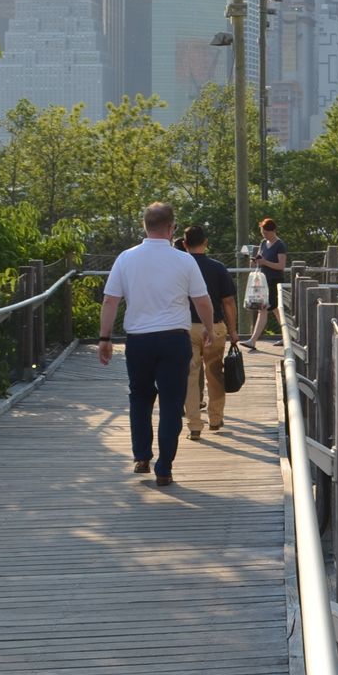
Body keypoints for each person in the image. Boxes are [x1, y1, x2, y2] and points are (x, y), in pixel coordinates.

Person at [97, 203, 212, 487]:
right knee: (172, 402)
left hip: (139, 340)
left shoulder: (126, 258)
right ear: (172, 229)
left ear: (143, 226)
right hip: (174, 338)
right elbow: (201, 300)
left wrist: (104, 338)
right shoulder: (185, 261)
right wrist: (209, 328)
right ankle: (165, 467)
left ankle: (142, 456)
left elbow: (111, 300)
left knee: (139, 396)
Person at [181, 225, 240, 441]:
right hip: (214, 327)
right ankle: (215, 419)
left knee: (190, 375)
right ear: (205, 242)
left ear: (184, 244)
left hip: (185, 327)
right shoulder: (218, 267)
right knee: (215, 372)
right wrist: (233, 331)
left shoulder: (180, 268)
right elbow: (228, 302)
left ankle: (194, 425)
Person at [242, 217, 289, 352]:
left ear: (273, 230)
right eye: (263, 233)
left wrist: (264, 263)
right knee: (273, 310)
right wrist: (256, 261)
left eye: (267, 233)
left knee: (266, 309)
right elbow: (261, 259)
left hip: (274, 281)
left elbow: (281, 265)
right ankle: (287, 337)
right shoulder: (263, 243)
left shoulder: (280, 245)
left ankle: (253, 340)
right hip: (263, 281)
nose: (265, 235)